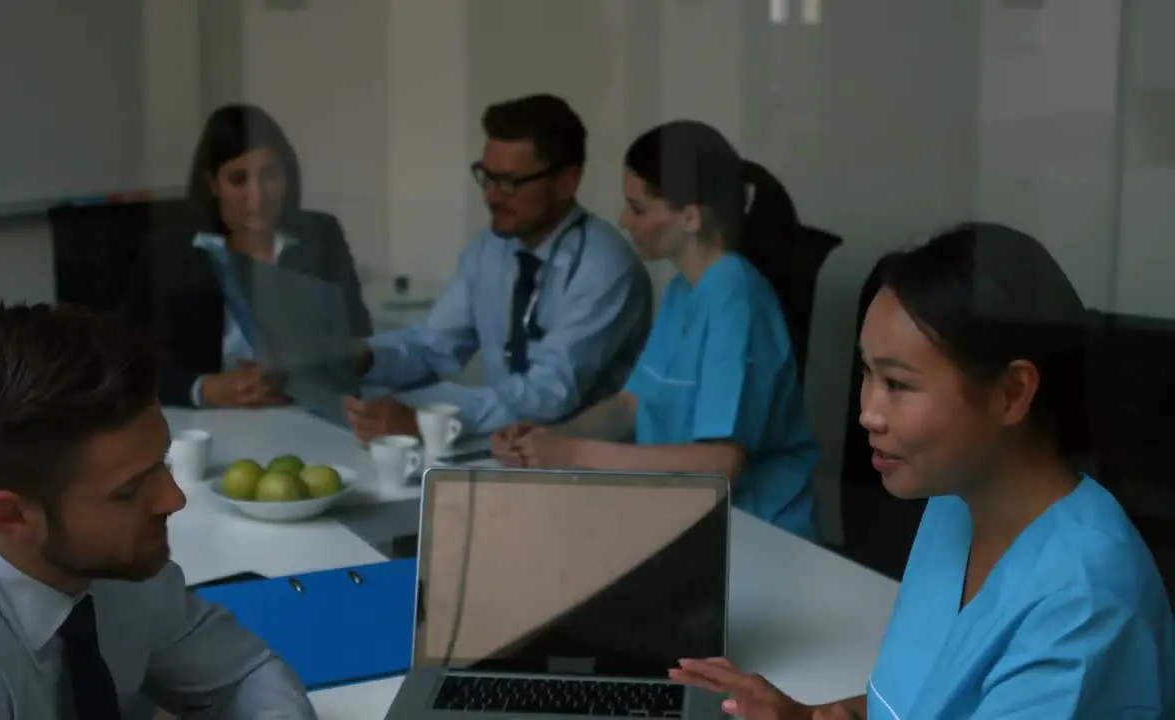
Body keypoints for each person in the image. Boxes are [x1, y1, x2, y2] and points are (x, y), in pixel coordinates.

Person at [671, 224, 1175, 719]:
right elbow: (920, 703)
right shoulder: (955, 501)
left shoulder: (1082, 604)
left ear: (1013, 393)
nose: (868, 411)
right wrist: (806, 716)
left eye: (897, 383)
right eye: (867, 374)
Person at [0, 302, 317, 718]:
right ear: (12, 516)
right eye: (130, 489)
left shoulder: (109, 562)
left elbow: (243, 674)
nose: (174, 499)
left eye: (162, 463)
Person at [492, 120, 819, 540]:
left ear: (689, 217)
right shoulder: (686, 289)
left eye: (639, 208)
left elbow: (721, 462)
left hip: (757, 534)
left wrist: (574, 453)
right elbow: (631, 405)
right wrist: (547, 437)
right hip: (685, 522)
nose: (624, 220)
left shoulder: (735, 298)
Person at [342, 94, 652, 440]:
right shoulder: (489, 249)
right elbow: (434, 347)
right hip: (502, 448)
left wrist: (429, 420)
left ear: (567, 182)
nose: (490, 196)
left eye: (509, 182)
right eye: (486, 177)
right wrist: (362, 356)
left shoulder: (606, 267)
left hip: (581, 462)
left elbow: (547, 398)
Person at [122, 103, 372, 409]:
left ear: (287, 174)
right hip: (209, 421)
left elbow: (361, 340)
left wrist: (308, 369)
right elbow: (126, 365)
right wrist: (204, 388)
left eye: (270, 175)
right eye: (238, 180)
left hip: (306, 413)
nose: (258, 195)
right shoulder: (170, 251)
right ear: (213, 184)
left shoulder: (321, 234)